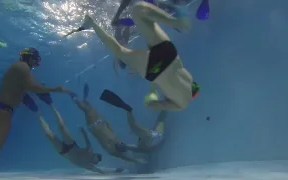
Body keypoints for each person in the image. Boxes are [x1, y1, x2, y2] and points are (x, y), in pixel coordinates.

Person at [68, 2, 200, 111]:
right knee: (119, 50)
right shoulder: (180, 106)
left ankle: (175, 22)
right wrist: (151, 95)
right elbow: (152, 105)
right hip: (155, 71)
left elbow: (191, 87)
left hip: (170, 56)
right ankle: (92, 23)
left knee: (138, 10)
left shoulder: (192, 83)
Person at [0, 47, 69, 178]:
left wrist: (39, 91)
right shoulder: (22, 66)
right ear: (29, 57)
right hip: (2, 110)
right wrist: (55, 89)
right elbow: (32, 87)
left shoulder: (20, 68)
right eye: (36, 59)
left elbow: (24, 88)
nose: (37, 62)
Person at [22, 92, 123, 174]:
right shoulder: (90, 152)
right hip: (71, 145)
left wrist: (115, 172)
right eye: (97, 158)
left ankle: (35, 110)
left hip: (63, 152)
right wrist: (83, 131)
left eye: (97, 161)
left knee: (48, 134)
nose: (96, 161)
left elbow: (102, 172)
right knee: (62, 127)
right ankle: (49, 102)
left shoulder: (89, 166)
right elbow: (87, 140)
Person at [68, 83, 147, 164]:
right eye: (123, 144)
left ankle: (74, 97)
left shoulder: (111, 150)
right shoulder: (117, 140)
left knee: (86, 110)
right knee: (90, 108)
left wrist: (137, 161)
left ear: (120, 150)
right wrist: (104, 120)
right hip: (100, 122)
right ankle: (84, 99)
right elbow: (110, 128)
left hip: (93, 126)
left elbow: (124, 158)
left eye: (122, 146)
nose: (121, 144)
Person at [100, 90, 166, 153]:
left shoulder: (142, 145)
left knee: (158, 122)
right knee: (158, 122)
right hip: (153, 139)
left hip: (153, 139)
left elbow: (135, 147)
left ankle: (128, 110)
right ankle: (128, 110)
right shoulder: (144, 142)